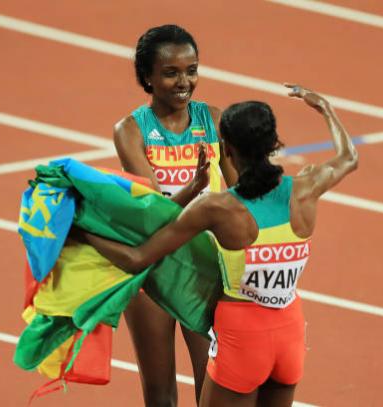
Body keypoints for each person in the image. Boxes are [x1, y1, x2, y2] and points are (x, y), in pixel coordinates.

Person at [81, 84, 358, 406]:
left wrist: (81, 232)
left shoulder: (217, 208)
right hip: (290, 335)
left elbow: (135, 258)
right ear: (274, 144)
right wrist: (323, 106)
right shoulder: (306, 188)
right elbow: (349, 157)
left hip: (241, 338)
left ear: (225, 149)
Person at [113, 24, 237, 406]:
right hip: (153, 260)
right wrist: (195, 189)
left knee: (211, 387)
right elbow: (154, 214)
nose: (184, 82)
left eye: (191, 70)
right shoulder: (131, 131)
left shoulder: (214, 121)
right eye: (170, 73)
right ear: (146, 77)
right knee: (161, 394)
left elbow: (238, 194)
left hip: (203, 264)